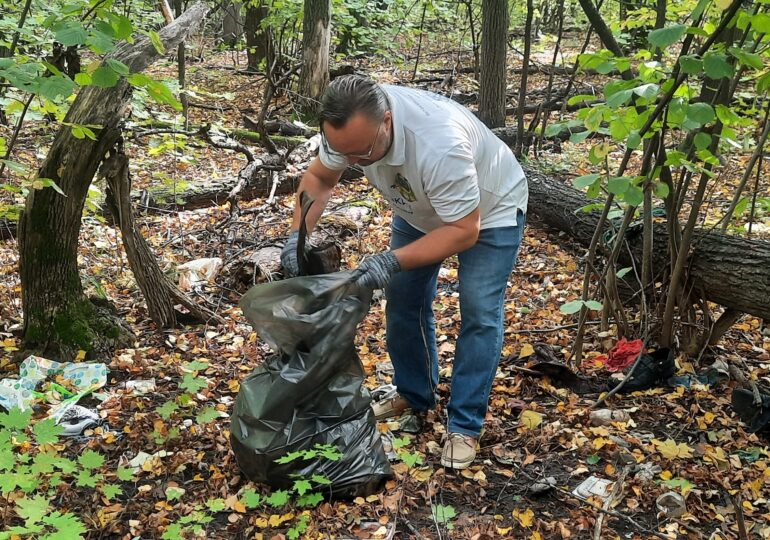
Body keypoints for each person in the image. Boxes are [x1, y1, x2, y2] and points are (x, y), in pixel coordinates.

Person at [281, 75, 528, 470]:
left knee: (479, 310)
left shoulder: (438, 144)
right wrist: (297, 236)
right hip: (418, 208)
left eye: (363, 153)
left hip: (489, 211)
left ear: (388, 121)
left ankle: (464, 424)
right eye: (345, 154)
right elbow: (320, 177)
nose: (354, 163)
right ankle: (415, 394)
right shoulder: (349, 127)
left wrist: (390, 261)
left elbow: (464, 230)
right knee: (403, 299)